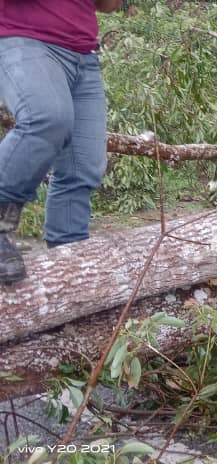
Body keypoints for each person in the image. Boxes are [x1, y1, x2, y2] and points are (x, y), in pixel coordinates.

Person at [0, 0, 121, 284]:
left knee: (85, 166)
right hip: (24, 39)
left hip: (84, 54)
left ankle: (70, 268)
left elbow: (108, 5)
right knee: (46, 119)